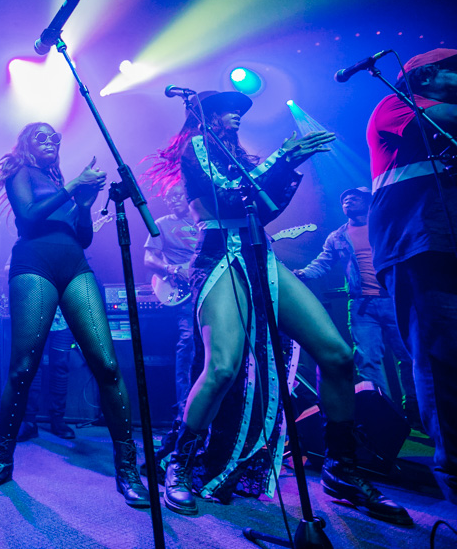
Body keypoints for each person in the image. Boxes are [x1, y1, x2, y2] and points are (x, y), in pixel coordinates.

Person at [145, 90, 410, 525]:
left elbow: (266, 209)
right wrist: (284, 157)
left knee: (338, 355)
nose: (236, 117)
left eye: (240, 112)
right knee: (223, 367)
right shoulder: (197, 146)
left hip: (257, 251)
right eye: (228, 111)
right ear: (206, 115)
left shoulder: (242, 157)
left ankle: (342, 469)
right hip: (219, 253)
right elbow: (227, 198)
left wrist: (291, 163)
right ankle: (182, 462)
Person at [0, 122, 150, 507]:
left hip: (75, 265)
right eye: (42, 136)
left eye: (56, 138)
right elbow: (30, 217)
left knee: (107, 365)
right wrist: (73, 190)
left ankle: (128, 469)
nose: (51, 141)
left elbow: (83, 237)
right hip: (34, 263)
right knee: (22, 368)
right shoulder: (21, 173)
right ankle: (2, 461)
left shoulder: (60, 183)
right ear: (26, 144)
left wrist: (83, 205)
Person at [366, 48, 457, 502]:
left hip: (444, 240)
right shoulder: (394, 105)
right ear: (426, 74)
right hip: (418, 245)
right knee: (441, 356)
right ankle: (454, 470)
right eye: (454, 69)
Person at [294, 187, 417, 418]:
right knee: (367, 361)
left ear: (368, 202)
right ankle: (383, 414)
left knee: (409, 356)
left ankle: (414, 408)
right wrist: (303, 274)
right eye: (344, 200)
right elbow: (323, 263)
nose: (347, 200)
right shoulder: (338, 236)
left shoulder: (384, 225)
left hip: (395, 300)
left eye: (354, 197)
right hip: (362, 307)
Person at [142, 183, 198, 465]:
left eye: (178, 195)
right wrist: (173, 269)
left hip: (209, 287)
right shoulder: (162, 225)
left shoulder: (202, 223)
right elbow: (148, 258)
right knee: (187, 344)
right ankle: (183, 413)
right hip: (182, 292)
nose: (173, 200)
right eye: (168, 197)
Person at [16, 307, 76, 441]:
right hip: (35, 318)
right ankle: (29, 421)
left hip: (63, 320)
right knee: (32, 368)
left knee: (61, 369)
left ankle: (58, 420)